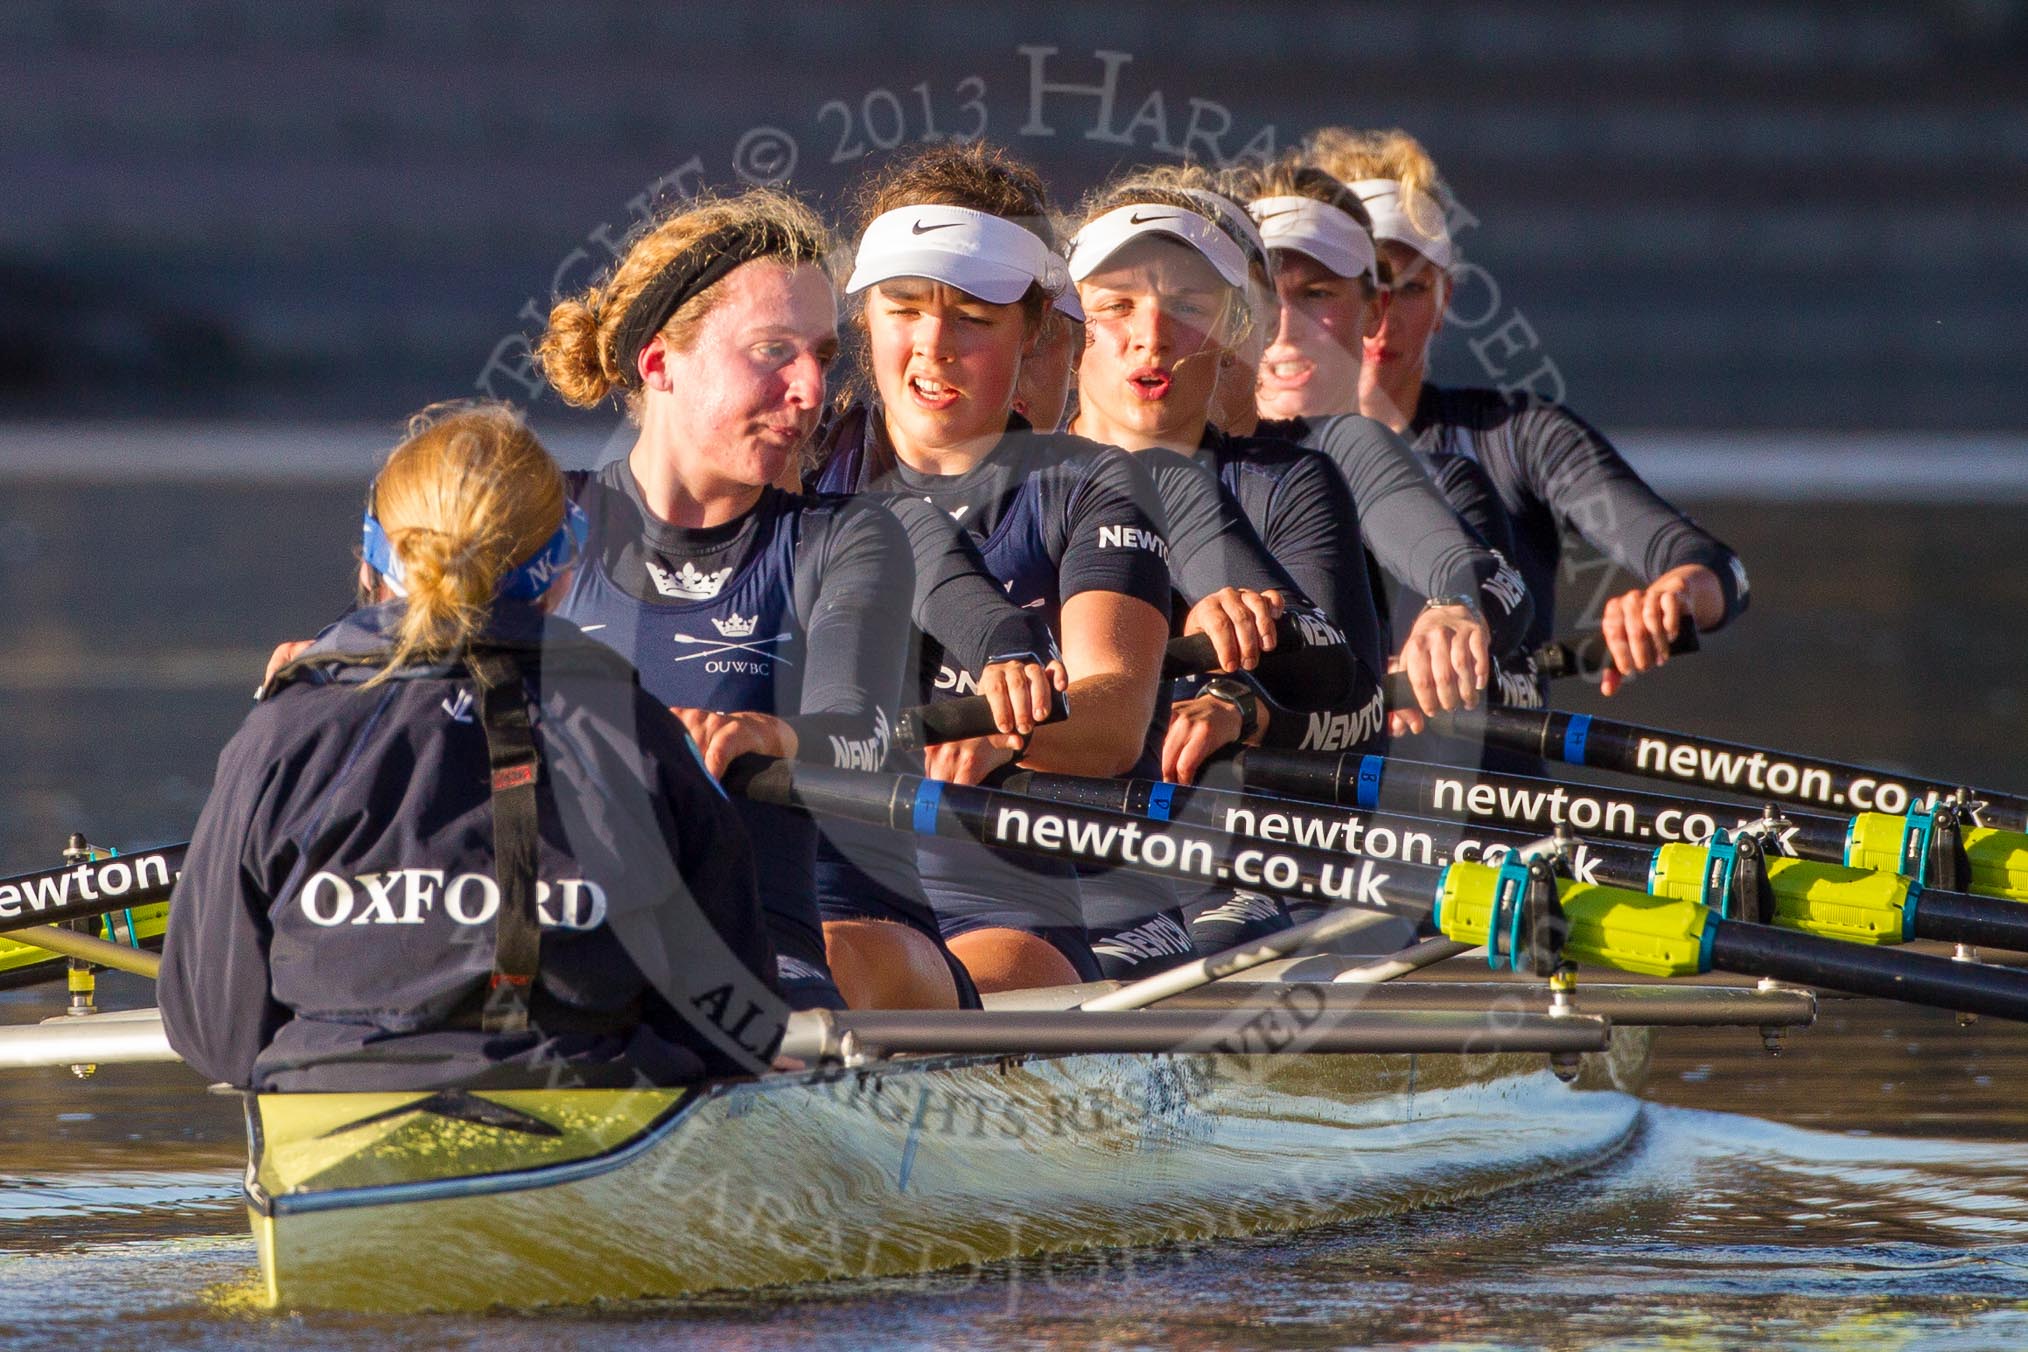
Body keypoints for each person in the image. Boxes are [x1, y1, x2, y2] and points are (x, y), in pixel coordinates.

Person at [160, 404, 784, 1091]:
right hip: (590, 1117)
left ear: (374, 559)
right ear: (565, 564)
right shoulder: (636, 731)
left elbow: (213, 1032)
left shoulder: (282, 735)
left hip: (332, 1120)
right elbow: (733, 1031)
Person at [536, 188, 917, 1011]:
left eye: (821, 353)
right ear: (659, 361)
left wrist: (770, 732)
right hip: (551, 939)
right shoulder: (535, 523)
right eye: (774, 350)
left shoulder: (844, 540)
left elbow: (862, 732)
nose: (812, 388)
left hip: (758, 952)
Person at [815, 142, 1175, 990]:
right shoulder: (800, 461)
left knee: (856, 969)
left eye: (974, 319)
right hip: (823, 879)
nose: (933, 345)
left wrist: (1005, 724)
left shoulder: (1088, 486)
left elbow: (1116, 716)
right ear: (864, 319)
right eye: (904, 308)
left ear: (1033, 334)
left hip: (1003, 898)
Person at [1306, 127, 1749, 695]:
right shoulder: (1255, 451)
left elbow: (1714, 567)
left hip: (1484, 775)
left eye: (1411, 291)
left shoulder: (1518, 436)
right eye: (1362, 288)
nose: (1382, 318)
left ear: (1444, 302)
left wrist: (1676, 596)